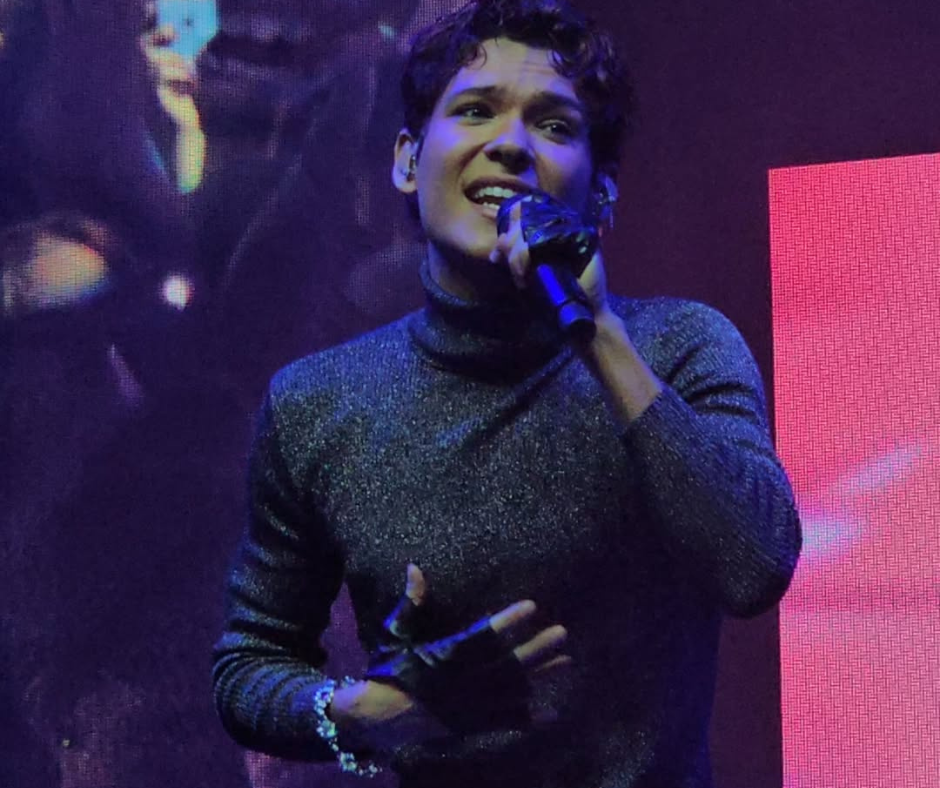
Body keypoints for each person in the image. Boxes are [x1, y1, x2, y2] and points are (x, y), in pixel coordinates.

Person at [212, 1, 802, 786]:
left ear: (601, 195)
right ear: (406, 161)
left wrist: (598, 336)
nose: (511, 144)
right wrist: (370, 711)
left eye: (554, 125)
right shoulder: (316, 403)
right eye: (475, 111)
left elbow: (754, 564)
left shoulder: (679, 347)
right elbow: (250, 664)